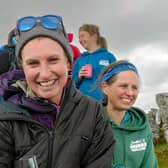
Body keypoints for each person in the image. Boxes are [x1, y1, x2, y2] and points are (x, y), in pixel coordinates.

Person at [0, 14, 115, 168]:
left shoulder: (93, 113)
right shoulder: (5, 118)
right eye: (33, 63)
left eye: (53, 60)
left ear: (68, 63)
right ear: (23, 68)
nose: (45, 73)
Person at [98, 60, 158, 168]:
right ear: (105, 87)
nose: (130, 93)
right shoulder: (88, 123)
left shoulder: (142, 128)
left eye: (134, 87)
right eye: (123, 86)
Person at [72, 24, 116, 101]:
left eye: (82, 36)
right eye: (79, 37)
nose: (80, 40)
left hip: (103, 101)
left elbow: (116, 80)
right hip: (82, 101)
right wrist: (78, 76)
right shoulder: (79, 60)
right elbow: (72, 84)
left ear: (94, 36)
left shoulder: (109, 57)